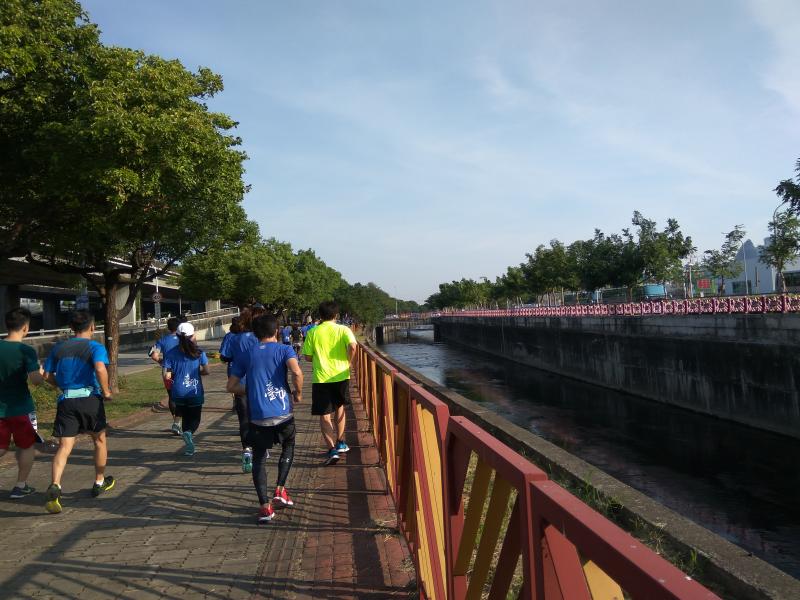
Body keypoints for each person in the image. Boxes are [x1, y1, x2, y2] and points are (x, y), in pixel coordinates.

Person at [227, 314, 303, 523]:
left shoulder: (246, 354)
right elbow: (297, 372)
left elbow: (231, 386)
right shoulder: (284, 349)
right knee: (288, 445)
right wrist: (297, 393)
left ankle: (264, 507)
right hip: (283, 412)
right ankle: (280, 489)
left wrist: (251, 390)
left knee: (259, 458)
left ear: (255, 333)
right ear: (276, 331)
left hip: (258, 417)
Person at [43, 309, 115, 514]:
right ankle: (99, 481)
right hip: (90, 399)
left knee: (64, 446)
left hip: (66, 400)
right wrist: (106, 391)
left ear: (71, 327)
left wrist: (60, 385)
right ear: (92, 326)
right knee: (99, 441)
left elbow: (46, 375)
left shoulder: (59, 347)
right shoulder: (95, 346)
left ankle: (56, 484)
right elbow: (100, 368)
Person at [302, 301, 357, 465]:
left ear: (320, 315)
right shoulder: (343, 329)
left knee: (324, 414)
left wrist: (318, 357)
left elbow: (307, 357)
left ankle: (332, 449)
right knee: (340, 408)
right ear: (336, 315)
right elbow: (353, 346)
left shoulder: (313, 332)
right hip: (341, 375)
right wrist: (348, 362)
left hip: (321, 378)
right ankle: (341, 442)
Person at [0, 308, 46, 498]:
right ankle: (20, 486)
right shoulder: (26, 351)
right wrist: (41, 372)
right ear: (26, 328)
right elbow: (36, 380)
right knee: (26, 446)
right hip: (21, 407)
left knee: (1, 447)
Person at [163, 322, 209, 456]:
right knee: (195, 418)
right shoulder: (199, 352)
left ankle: (189, 446)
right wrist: (197, 372)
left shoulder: (170, 353)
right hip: (195, 390)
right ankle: (189, 433)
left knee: (184, 416)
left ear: (177, 336)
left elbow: (167, 375)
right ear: (193, 335)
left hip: (178, 392)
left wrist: (174, 374)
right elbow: (207, 371)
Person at [230, 305, 266, 472]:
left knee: (244, 419)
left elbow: (228, 356)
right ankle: (261, 447)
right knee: (261, 417)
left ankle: (246, 449)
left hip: (240, 383)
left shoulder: (236, 338)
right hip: (259, 383)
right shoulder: (261, 338)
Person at [149, 317, 181, 434]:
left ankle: (176, 423)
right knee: (182, 396)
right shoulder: (183, 339)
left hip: (167, 370)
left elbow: (154, 355)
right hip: (181, 370)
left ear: (168, 328)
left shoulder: (162, 340)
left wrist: (161, 362)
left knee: (171, 396)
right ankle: (179, 422)